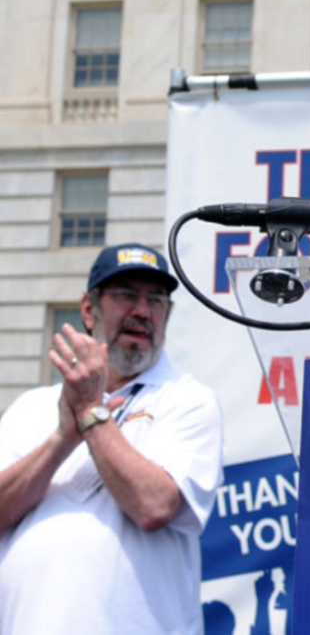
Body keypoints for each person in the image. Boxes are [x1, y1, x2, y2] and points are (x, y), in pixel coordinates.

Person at [0, 244, 224, 634]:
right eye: (125, 295)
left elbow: (154, 505)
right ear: (89, 310)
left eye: (156, 300)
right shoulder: (31, 407)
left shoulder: (188, 400)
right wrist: (61, 441)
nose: (142, 310)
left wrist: (90, 414)